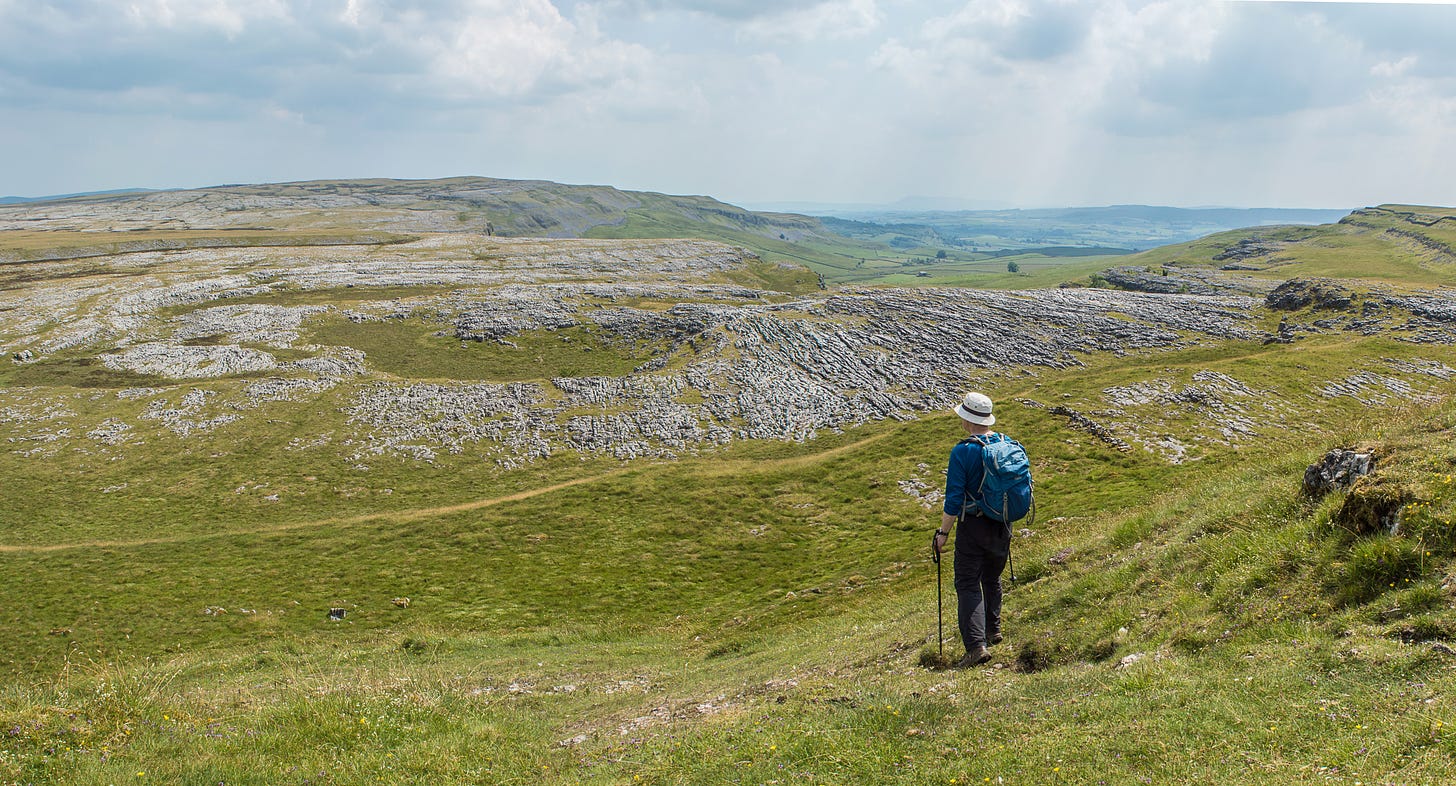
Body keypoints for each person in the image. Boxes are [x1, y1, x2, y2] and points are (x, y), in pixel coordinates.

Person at [932, 391, 1012, 669]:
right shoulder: (1006, 443)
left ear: (967, 420)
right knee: (992, 577)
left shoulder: (963, 451)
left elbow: (953, 498)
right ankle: (994, 629)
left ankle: (976, 647)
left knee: (967, 582)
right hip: (1002, 522)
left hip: (973, 523)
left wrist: (943, 533)